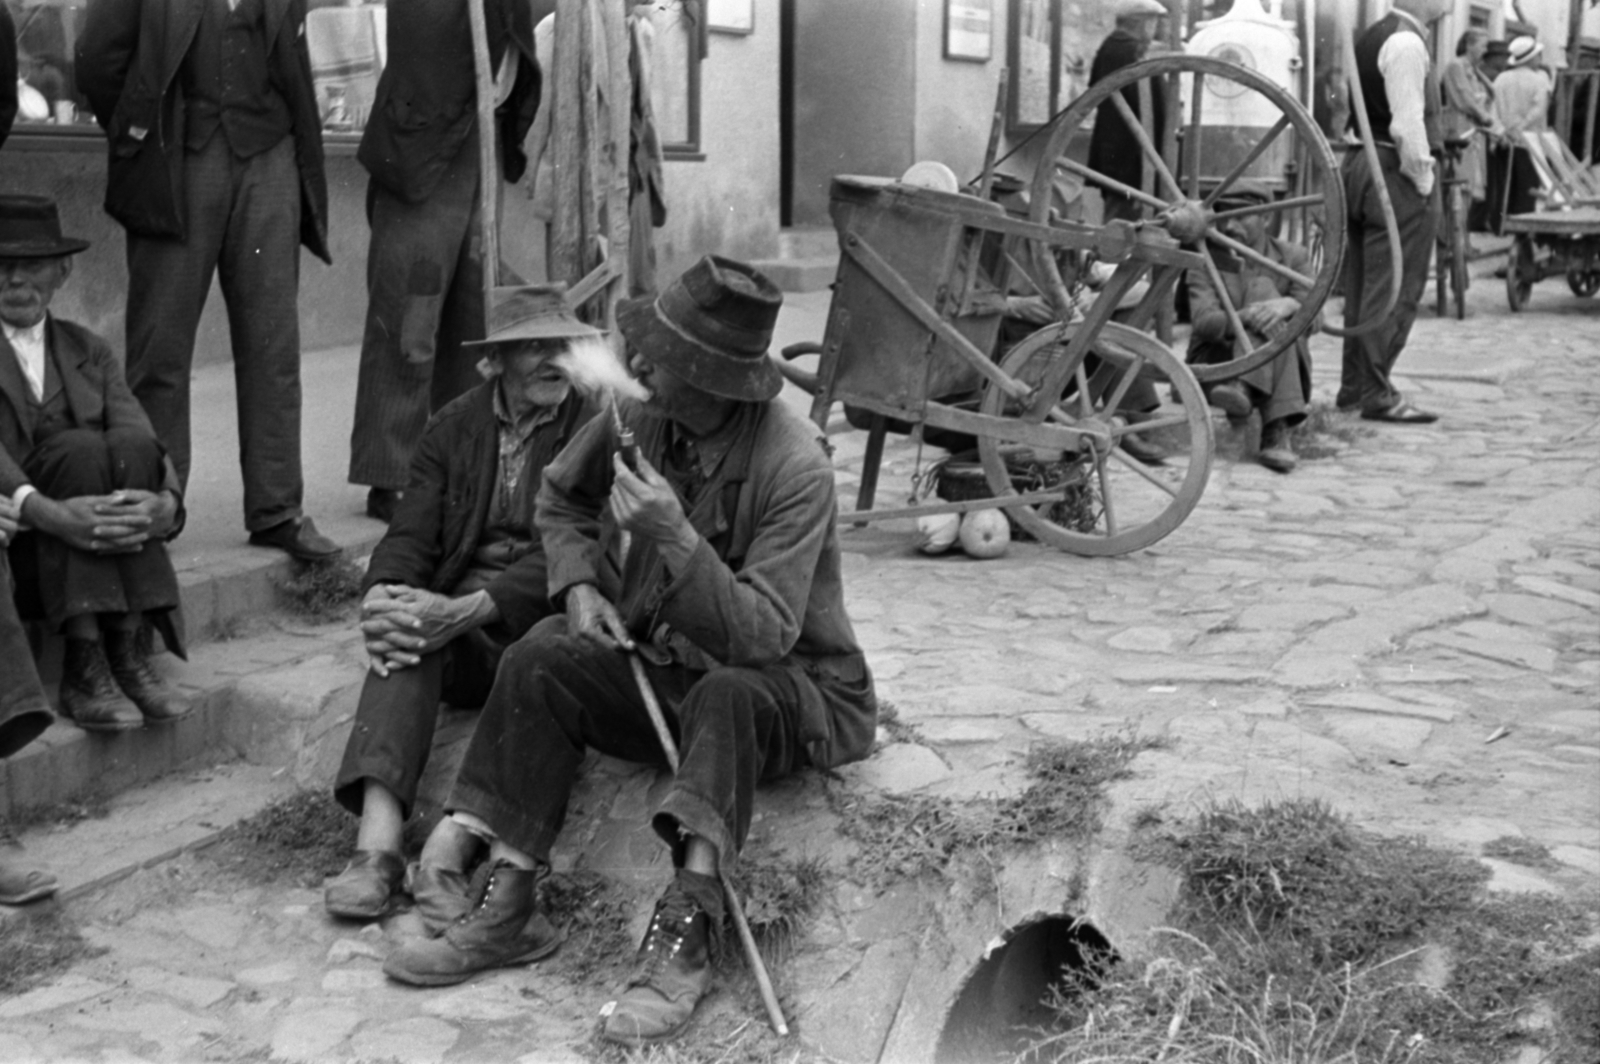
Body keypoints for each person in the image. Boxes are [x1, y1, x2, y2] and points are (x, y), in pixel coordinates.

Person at [380, 257, 877, 1048]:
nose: (637, 365)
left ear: (713, 379)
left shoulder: (795, 467)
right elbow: (560, 496)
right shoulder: (640, 414)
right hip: (668, 668)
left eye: (661, 357)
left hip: (795, 690)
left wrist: (673, 535)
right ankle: (510, 906)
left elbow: (763, 637)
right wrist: (579, 584)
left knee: (727, 691)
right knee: (541, 654)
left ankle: (686, 939)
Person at [324, 291, 598, 920]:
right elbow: (411, 534)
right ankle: (377, 850)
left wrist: (466, 609)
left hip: (544, 624)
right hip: (468, 634)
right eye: (535, 347)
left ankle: (449, 854)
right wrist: (383, 596)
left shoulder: (592, 425)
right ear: (493, 361)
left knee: (532, 648)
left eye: (564, 346)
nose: (555, 361)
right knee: (407, 633)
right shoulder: (453, 426)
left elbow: (585, 548)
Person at [75, 0, 338, 562]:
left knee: (273, 346)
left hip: (268, 156)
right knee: (160, 349)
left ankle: (277, 510)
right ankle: (156, 509)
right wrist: (141, 130)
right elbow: (97, 59)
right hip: (178, 155)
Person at [346, 0, 549, 525]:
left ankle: (457, 463)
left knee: (471, 317)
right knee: (410, 318)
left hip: (483, 142)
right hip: (424, 145)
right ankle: (391, 475)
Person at [0, 195, 190, 731]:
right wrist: (49, 513)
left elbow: (141, 435)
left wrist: (166, 503)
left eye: (32, 265)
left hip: (93, 534)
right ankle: (84, 662)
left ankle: (125, 650)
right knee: (81, 450)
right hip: (24, 542)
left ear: (62, 272)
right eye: (2, 265)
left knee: (129, 448)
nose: (14, 280)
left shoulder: (89, 348)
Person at [1337, 0, 1447, 425]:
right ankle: (1376, 392)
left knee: (1365, 285)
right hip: (1393, 168)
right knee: (1395, 288)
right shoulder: (1406, 43)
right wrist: (1423, 179)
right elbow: (1407, 125)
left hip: (1361, 162)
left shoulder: (1377, 34)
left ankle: (1355, 387)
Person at [1185, 180, 1313, 474]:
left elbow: (1315, 318)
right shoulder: (1205, 258)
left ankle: (1244, 385)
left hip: (1259, 367)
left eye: (1241, 216)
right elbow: (1204, 323)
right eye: (1224, 215)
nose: (1229, 225)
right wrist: (1247, 316)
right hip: (1218, 365)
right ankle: (1276, 430)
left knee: (1267, 295)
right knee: (1265, 296)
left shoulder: (1293, 256)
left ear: (1266, 218)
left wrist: (1289, 305)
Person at [1088, 0, 1168, 225]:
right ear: (1143, 24)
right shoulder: (1131, 52)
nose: (1154, 30)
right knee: (1123, 224)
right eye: (1154, 23)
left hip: (1119, 154)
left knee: (1120, 218)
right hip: (1132, 158)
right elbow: (1150, 105)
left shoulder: (1111, 47)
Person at [1439, 29, 1504, 246]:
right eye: (1482, 45)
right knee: (1460, 186)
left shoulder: (1474, 71)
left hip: (1474, 133)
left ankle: (1462, 241)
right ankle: (1453, 242)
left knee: (1470, 187)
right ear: (1469, 45)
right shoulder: (1456, 67)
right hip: (1460, 131)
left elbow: (1488, 95)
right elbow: (1464, 98)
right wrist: (1486, 118)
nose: (1485, 50)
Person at [1490, 36, 1553, 227]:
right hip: (1529, 142)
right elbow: (1538, 110)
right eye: (1538, 55)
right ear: (1531, 58)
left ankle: (1500, 223)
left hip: (1504, 140)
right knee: (1527, 185)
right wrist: (1520, 128)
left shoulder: (1500, 79)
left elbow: (1492, 110)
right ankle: (1522, 226)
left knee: (1503, 184)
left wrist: (1502, 131)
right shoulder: (1539, 80)